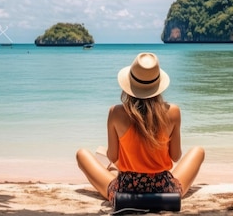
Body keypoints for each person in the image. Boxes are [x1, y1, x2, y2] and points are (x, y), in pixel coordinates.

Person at [76, 52, 205, 202]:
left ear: (129, 84)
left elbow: (113, 156)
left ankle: (114, 171)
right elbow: (175, 156)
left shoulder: (115, 112)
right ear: (158, 84)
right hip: (164, 190)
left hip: (125, 191)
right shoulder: (173, 112)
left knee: (82, 154)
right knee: (198, 151)